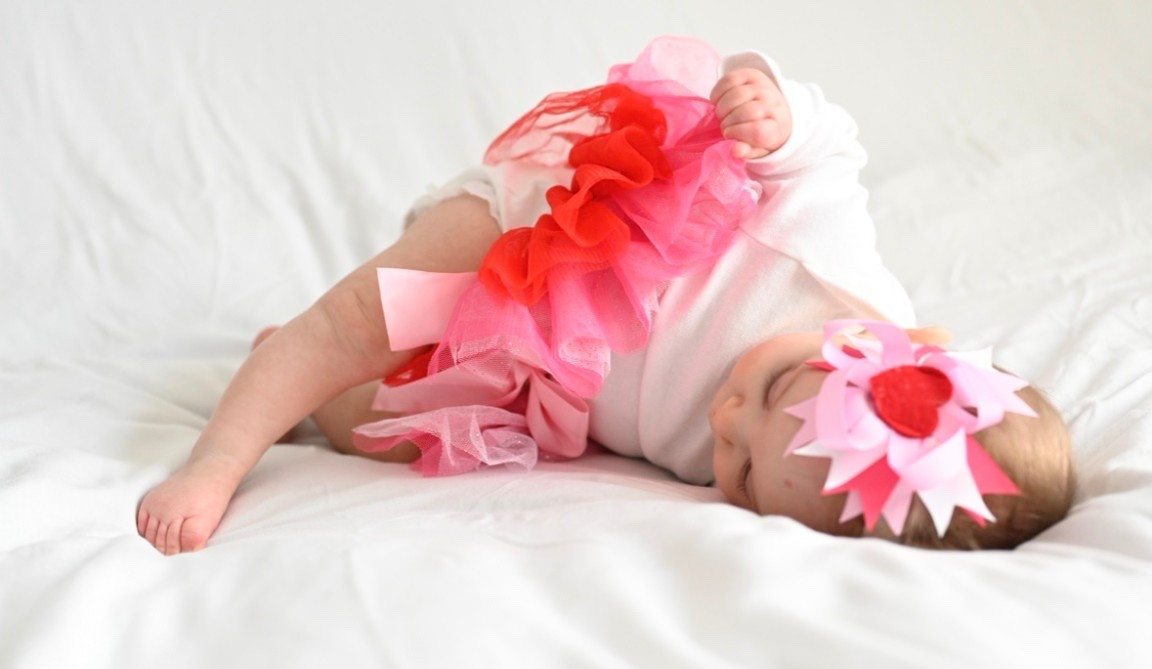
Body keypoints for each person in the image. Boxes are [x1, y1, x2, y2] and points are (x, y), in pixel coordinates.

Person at [136, 37, 1074, 555]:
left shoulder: (778, 463)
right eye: (776, 389)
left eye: (740, 472)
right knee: (360, 325)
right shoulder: (849, 277)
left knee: (375, 424)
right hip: (548, 233)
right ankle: (223, 450)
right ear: (909, 346)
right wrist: (773, 115)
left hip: (538, 369)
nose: (729, 419)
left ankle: (289, 377)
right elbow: (825, 157)